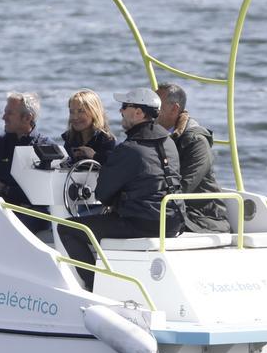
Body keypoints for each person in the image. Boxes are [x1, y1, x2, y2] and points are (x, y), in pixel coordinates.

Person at [57, 87, 183, 291]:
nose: (120, 112)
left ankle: (94, 286)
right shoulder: (169, 143)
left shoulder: (129, 149)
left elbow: (102, 194)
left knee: (68, 228)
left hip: (143, 222)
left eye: (124, 107)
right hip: (173, 220)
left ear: (138, 113)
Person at [157, 83, 231, 234]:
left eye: (158, 106)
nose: (152, 110)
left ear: (174, 109)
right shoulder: (158, 136)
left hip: (205, 218)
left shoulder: (196, 141)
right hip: (179, 211)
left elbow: (184, 186)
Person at [0, 92, 50, 231]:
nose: (3, 117)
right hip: (1, 211)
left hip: (35, 215)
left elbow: (42, 195)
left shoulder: (46, 147)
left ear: (28, 118)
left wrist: (7, 189)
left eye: (9, 113)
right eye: (5, 112)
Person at [61, 89, 116, 164]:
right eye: (71, 112)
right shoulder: (70, 138)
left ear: (94, 112)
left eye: (81, 111)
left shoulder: (107, 141)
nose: (75, 117)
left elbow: (114, 166)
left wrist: (94, 156)